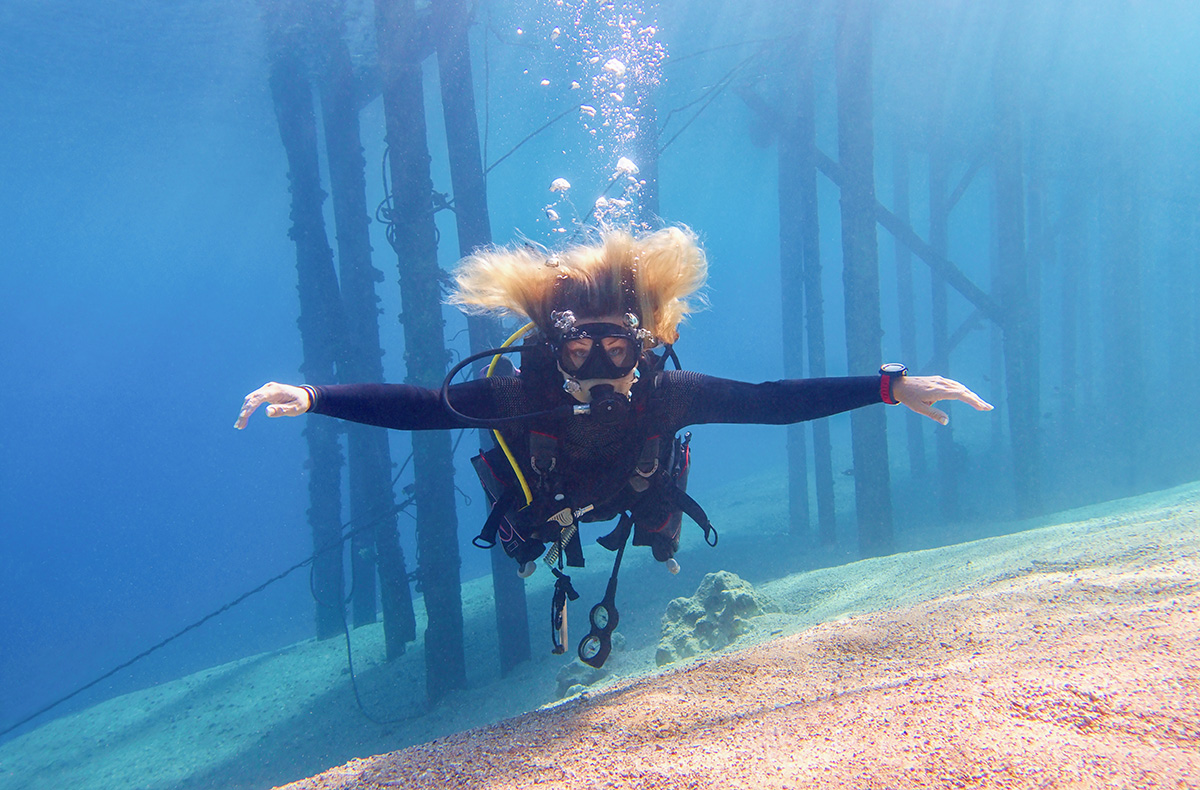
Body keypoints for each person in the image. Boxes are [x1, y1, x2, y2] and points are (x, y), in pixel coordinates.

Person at [235, 226, 992, 664]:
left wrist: (889, 385)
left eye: (617, 350)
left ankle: (660, 537)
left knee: (657, 504)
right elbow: (423, 408)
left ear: (645, 344)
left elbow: (772, 403)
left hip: (633, 489)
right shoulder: (519, 393)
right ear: (553, 348)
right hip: (549, 501)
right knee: (523, 531)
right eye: (579, 350)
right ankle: (539, 539)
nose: (600, 366)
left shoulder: (668, 391)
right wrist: (315, 396)